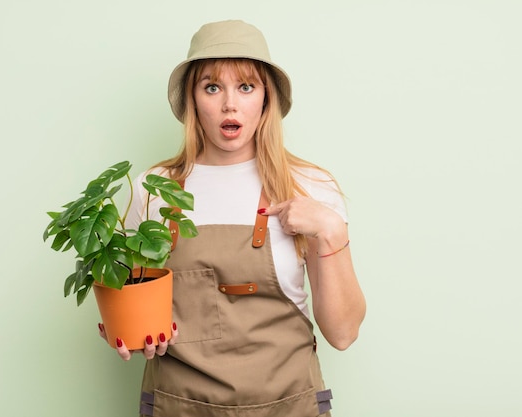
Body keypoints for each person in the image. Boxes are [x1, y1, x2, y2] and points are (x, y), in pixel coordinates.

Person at [98, 19, 366, 417]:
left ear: (265, 99)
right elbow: (138, 306)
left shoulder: (310, 186)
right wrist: (129, 332)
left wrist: (329, 229)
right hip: (180, 407)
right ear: (193, 100)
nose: (229, 104)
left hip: (289, 407)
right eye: (212, 87)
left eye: (246, 86)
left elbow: (343, 334)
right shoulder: (153, 188)